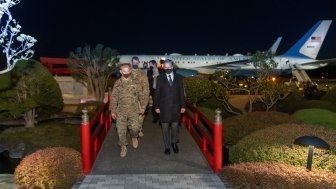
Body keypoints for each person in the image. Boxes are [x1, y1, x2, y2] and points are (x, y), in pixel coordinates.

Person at [110, 63, 145, 158]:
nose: (126, 73)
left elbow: (141, 96)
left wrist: (143, 107)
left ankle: (134, 136)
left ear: (130, 71)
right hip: (120, 111)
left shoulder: (136, 82)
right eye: (124, 71)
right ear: (121, 72)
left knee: (135, 129)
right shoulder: (117, 83)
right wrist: (113, 110)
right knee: (121, 131)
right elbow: (114, 98)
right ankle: (123, 146)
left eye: (128, 71)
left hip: (134, 110)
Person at [154, 59, 186, 155]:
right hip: (164, 107)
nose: (167, 68)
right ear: (163, 67)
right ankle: (167, 146)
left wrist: (183, 105)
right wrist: (156, 106)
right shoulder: (159, 78)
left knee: (175, 127)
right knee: (165, 127)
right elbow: (157, 93)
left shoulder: (179, 77)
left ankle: (174, 143)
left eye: (169, 66)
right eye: (165, 67)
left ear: (172, 67)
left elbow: (181, 92)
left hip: (176, 106)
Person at [131, 56, 150, 137]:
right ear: (131, 62)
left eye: (136, 63)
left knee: (140, 116)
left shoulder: (142, 74)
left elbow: (146, 88)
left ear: (138, 63)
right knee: (131, 116)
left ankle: (139, 129)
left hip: (140, 99)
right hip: (129, 99)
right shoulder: (127, 72)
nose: (135, 64)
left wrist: (145, 101)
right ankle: (132, 131)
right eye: (134, 62)